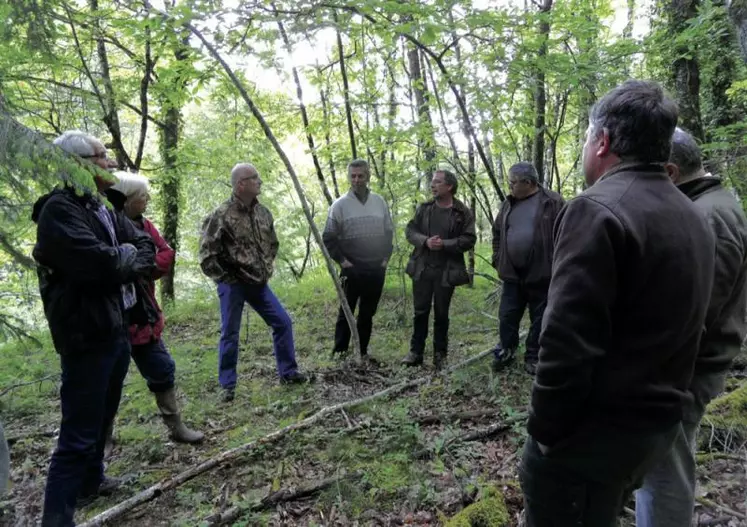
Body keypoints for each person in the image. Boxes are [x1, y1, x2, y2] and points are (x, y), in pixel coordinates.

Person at [519, 81, 715, 527]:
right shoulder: (691, 213)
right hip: (652, 430)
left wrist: (545, 434)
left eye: (588, 137)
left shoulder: (597, 210)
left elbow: (567, 340)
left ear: (602, 141)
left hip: (591, 439)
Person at [33, 130, 156, 526]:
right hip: (85, 333)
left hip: (116, 327)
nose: (111, 163)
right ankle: (56, 518)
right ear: (78, 164)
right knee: (77, 432)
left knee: (103, 415)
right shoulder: (59, 211)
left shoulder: (101, 205)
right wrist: (122, 258)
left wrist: (125, 256)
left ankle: (92, 481)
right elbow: (101, 265)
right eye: (102, 156)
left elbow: (146, 247)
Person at [635, 128, 747, 527]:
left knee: (664, 471)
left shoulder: (707, 217)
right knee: (661, 465)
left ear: (670, 171)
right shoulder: (708, 207)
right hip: (687, 366)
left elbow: (693, 315)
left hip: (686, 371)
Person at [104, 172, 204, 444]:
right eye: (142, 196)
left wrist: (141, 267)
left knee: (162, 368)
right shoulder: (106, 225)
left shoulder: (146, 226)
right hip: (113, 319)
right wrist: (132, 266)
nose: (147, 200)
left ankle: (176, 428)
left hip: (143, 317)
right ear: (127, 200)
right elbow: (107, 265)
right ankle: (104, 439)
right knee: (108, 382)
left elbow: (165, 254)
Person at [199, 163, 309, 403]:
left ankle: (288, 373)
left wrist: (266, 266)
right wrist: (226, 278)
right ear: (241, 184)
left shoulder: (263, 213)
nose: (260, 181)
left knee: (283, 323)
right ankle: (227, 385)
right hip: (233, 285)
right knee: (230, 333)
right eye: (254, 178)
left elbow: (273, 243)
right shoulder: (221, 215)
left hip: (258, 284)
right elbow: (207, 255)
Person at [490, 162, 563, 375]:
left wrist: (557, 263)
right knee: (507, 316)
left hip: (542, 273)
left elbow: (568, 233)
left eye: (513, 183)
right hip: (512, 274)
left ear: (528, 183)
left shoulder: (553, 202)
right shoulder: (508, 204)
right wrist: (497, 258)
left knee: (540, 319)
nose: (510, 187)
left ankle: (533, 357)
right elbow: (497, 233)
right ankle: (506, 351)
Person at [401, 169, 476, 370]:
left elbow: (469, 239)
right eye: (432, 182)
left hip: (447, 271)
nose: (432, 185)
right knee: (420, 311)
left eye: (437, 182)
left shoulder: (462, 212)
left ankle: (440, 356)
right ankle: (415, 352)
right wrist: (425, 241)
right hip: (422, 268)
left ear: (449, 186)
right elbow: (410, 231)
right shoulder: (424, 209)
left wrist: (445, 244)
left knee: (442, 314)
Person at [322, 159, 394, 361]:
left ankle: (361, 351)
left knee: (367, 313)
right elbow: (328, 237)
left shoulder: (379, 202)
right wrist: (343, 262)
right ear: (348, 177)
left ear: (368, 176)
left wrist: (384, 260)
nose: (357, 180)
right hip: (351, 269)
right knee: (346, 312)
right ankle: (340, 352)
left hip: (376, 269)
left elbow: (389, 233)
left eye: (360, 175)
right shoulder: (339, 205)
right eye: (353, 176)